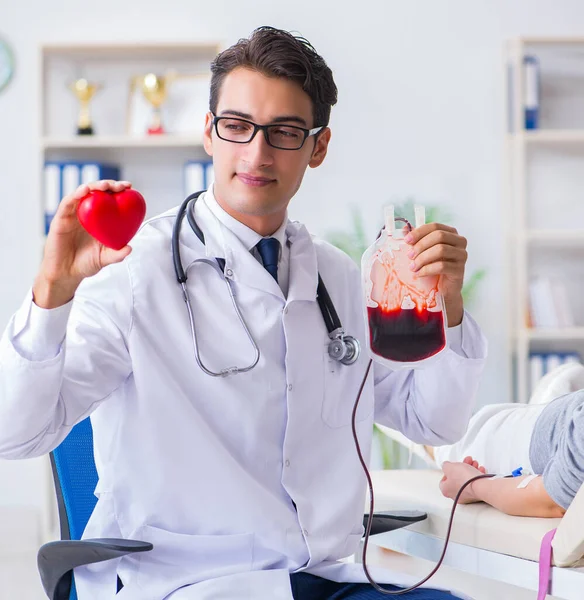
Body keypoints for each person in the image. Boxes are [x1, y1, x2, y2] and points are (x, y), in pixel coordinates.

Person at [0, 26, 487, 600]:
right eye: (237, 127)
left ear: (318, 147)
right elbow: (17, 435)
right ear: (209, 133)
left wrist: (448, 305)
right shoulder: (134, 273)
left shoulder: (336, 277)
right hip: (188, 580)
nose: (256, 154)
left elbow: (431, 422)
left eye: (284, 132)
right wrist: (51, 294)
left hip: (323, 573)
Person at [391, 363, 584, 519]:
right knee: (572, 373)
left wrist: (472, 486)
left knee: (445, 440)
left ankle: (391, 413)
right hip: (562, 417)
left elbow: (551, 502)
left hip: (529, 439)